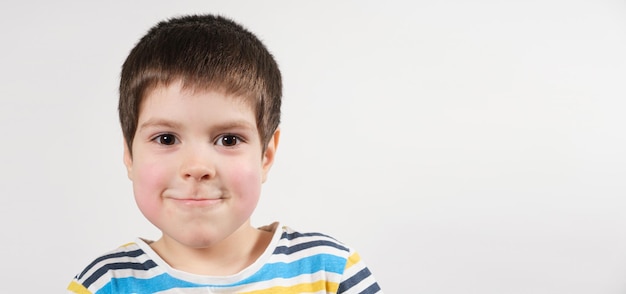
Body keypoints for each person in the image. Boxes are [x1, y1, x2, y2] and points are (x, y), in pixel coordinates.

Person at [67, 14, 382, 294]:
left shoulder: (330, 272)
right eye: (166, 138)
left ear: (266, 156)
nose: (197, 167)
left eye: (229, 140)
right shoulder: (105, 284)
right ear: (129, 155)